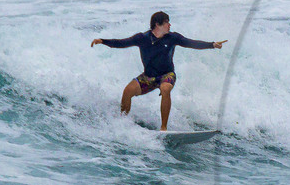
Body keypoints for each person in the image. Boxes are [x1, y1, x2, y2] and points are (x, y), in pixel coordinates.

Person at [91, 11, 226, 131]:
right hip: (149, 76)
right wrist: (102, 41)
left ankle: (163, 128)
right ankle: (121, 123)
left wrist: (212, 45)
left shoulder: (173, 37)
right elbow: (121, 43)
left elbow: (191, 43)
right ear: (157, 24)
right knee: (127, 91)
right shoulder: (142, 38)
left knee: (165, 89)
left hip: (167, 74)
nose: (169, 25)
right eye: (167, 22)